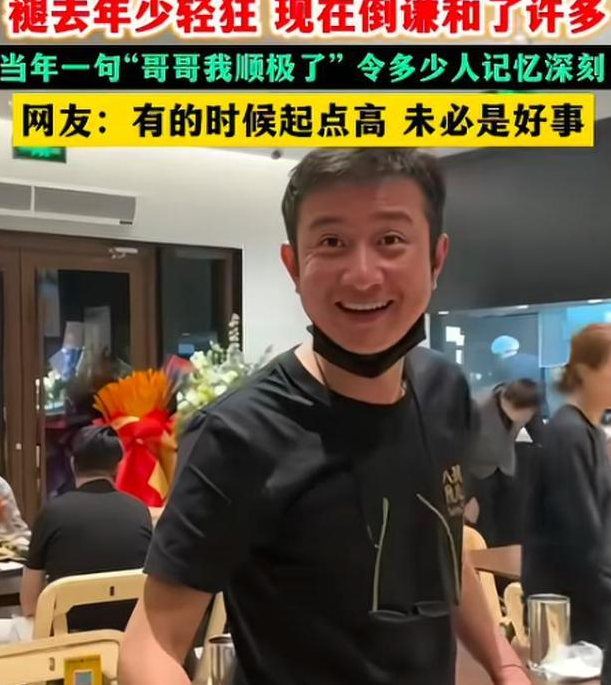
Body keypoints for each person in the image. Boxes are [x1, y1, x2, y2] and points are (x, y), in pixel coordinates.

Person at [119, 148, 529, 685]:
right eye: (331, 242)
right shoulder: (239, 434)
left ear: (436, 259)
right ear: (293, 266)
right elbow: (150, 645)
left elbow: (443, 551)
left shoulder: (444, 390)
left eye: (390, 240)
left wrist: (505, 665)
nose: (362, 275)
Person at [0, 426, 153, 655]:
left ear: (73, 463)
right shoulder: (139, 511)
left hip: (64, 639)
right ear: (117, 466)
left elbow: (29, 604)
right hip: (126, 639)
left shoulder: (53, 512)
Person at [523, 323, 611, 648]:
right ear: (585, 371)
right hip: (571, 609)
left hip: (586, 601)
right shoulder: (569, 434)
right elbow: (582, 539)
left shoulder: (589, 433)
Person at [469, 380, 542, 546]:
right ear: (508, 403)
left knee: (512, 526)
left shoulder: (528, 402)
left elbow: (540, 434)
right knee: (485, 529)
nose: (526, 419)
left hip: (506, 467)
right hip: (478, 473)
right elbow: (460, 451)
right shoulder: (476, 408)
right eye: (525, 415)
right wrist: (468, 496)